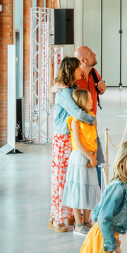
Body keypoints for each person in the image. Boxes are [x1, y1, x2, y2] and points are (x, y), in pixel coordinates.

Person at [50, 57, 96, 233]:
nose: (81, 71)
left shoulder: (70, 89)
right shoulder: (64, 91)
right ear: (71, 70)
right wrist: (91, 119)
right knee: (61, 179)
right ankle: (55, 218)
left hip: (68, 137)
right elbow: (76, 112)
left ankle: (67, 216)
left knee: (69, 177)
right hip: (63, 138)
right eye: (78, 68)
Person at [61, 89, 102, 235]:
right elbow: (78, 143)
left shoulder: (92, 117)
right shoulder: (74, 120)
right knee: (77, 190)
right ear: (82, 101)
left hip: (91, 156)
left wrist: (94, 155)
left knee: (91, 187)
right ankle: (78, 224)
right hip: (79, 157)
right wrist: (91, 158)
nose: (92, 101)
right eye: (89, 99)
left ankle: (86, 220)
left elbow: (95, 139)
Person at [74, 46, 107, 185]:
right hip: (78, 130)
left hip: (93, 128)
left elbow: (98, 90)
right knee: (81, 167)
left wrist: (101, 89)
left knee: (100, 164)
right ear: (84, 60)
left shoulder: (94, 72)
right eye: (91, 54)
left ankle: (99, 198)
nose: (94, 54)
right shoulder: (73, 77)